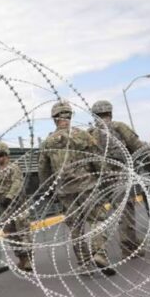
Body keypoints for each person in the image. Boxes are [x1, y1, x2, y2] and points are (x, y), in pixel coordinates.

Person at [38, 100, 115, 276]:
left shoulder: (48, 142)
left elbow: (44, 171)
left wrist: (48, 191)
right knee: (98, 219)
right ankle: (99, 253)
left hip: (65, 190)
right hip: (87, 185)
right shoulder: (83, 136)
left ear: (54, 119)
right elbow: (97, 160)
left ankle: (84, 264)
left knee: (76, 228)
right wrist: (105, 179)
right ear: (70, 116)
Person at [88, 100, 146, 258]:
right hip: (119, 176)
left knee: (99, 217)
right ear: (110, 113)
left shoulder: (90, 133)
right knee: (125, 213)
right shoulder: (119, 127)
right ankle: (129, 247)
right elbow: (138, 147)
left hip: (98, 180)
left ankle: (99, 251)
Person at [0, 142, 33, 271]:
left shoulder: (14, 168)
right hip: (4, 209)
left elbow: (17, 183)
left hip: (17, 206)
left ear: (6, 155)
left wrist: (9, 197)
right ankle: (21, 259)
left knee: (23, 232)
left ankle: (28, 259)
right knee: (10, 235)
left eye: (0, 155)